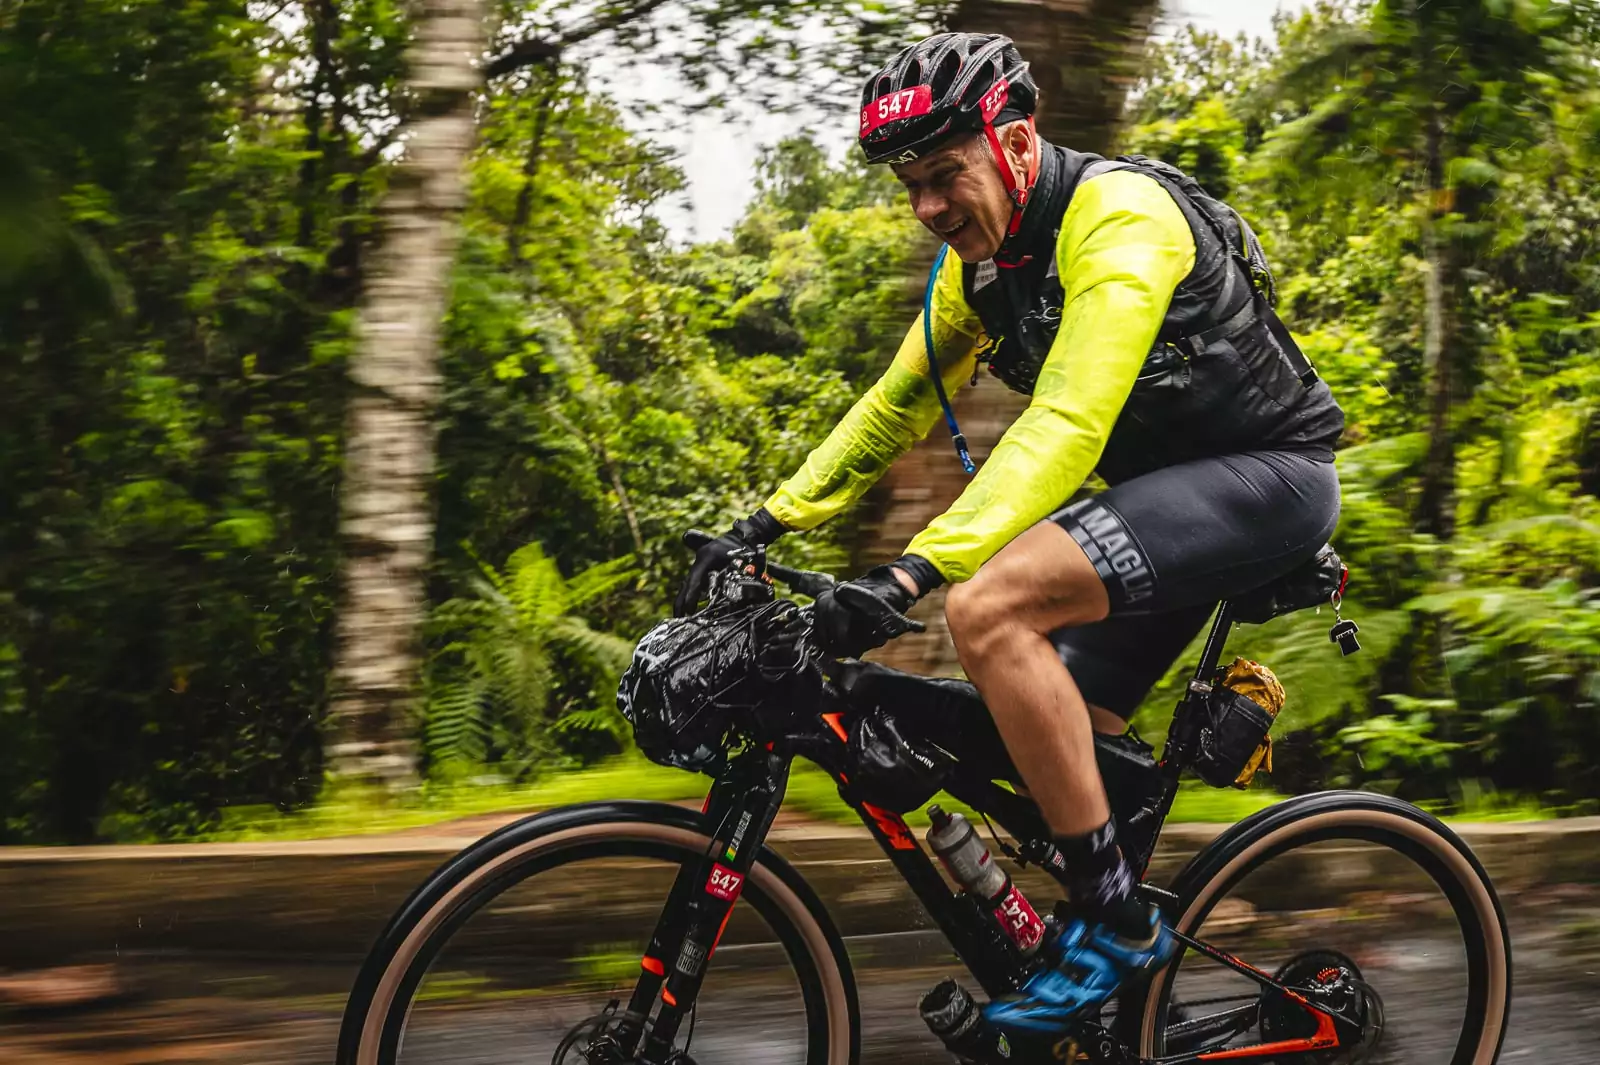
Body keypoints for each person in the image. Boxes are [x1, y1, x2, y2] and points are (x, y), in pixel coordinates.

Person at [674, 31, 1344, 1036]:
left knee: (988, 607)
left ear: (1018, 143)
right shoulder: (977, 274)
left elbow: (1068, 420)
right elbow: (892, 407)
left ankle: (1115, 923)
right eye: (910, 186)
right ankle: (1107, 1009)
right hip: (1162, 506)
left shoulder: (1120, 218)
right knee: (1049, 734)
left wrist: (914, 573)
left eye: (944, 175)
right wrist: (759, 523)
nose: (927, 207)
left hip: (1269, 482)